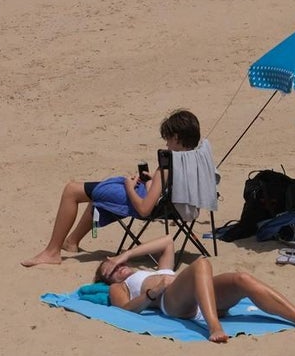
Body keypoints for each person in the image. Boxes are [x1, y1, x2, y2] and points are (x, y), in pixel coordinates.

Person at [21, 110, 201, 267]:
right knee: (98, 192)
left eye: (168, 139)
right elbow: (168, 188)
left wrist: (129, 187)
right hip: (169, 205)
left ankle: (52, 252)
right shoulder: (195, 160)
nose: (167, 144)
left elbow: (144, 210)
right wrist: (151, 181)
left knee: (72, 190)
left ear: (176, 137)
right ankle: (72, 242)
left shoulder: (167, 167)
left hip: (147, 203)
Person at [95, 235, 295, 343]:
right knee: (201, 264)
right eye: (111, 270)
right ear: (108, 279)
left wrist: (125, 254)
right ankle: (214, 326)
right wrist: (153, 292)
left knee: (242, 279)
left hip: (198, 295)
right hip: (172, 302)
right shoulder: (119, 286)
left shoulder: (156, 269)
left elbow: (167, 241)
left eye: (117, 263)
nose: (117, 268)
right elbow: (124, 310)